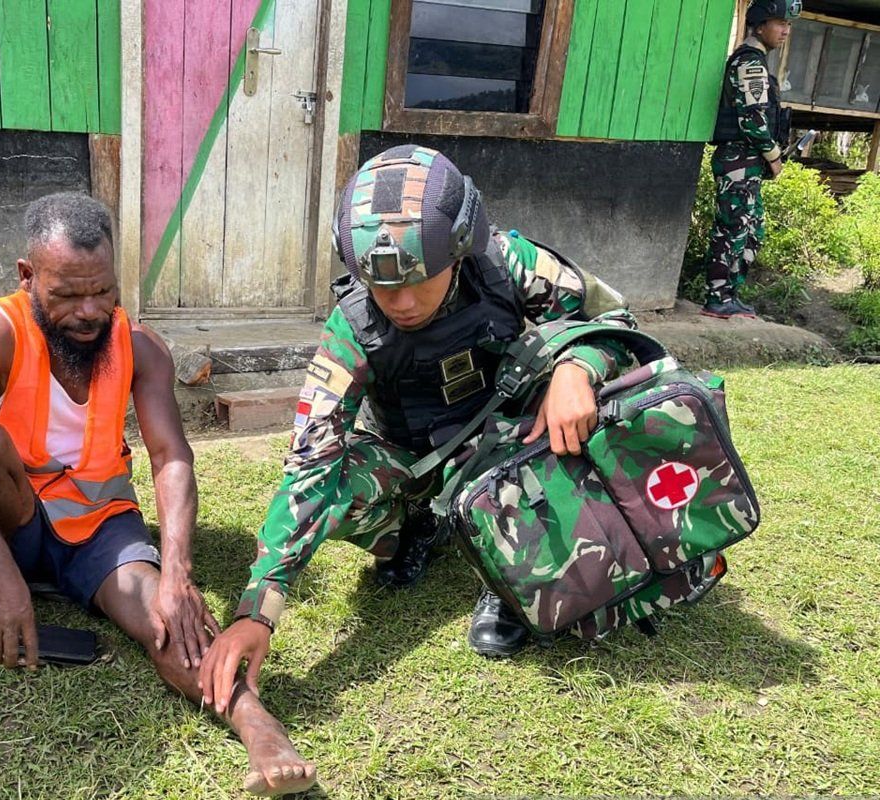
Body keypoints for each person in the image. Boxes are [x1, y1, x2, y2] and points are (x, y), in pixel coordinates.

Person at [200, 145, 639, 713]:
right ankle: (425, 527)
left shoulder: (507, 263)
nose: (402, 304)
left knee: (578, 417)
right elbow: (310, 461)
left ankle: (509, 575)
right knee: (339, 495)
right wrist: (257, 610)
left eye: (419, 281)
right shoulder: (351, 328)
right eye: (384, 288)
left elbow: (611, 317)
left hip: (509, 440)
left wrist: (578, 368)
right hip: (412, 456)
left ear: (458, 252)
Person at [0, 192, 315, 796]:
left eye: (102, 290)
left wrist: (177, 572)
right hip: (14, 524)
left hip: (102, 528)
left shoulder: (140, 345)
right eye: (68, 293)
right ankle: (19, 576)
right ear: (28, 277)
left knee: (165, 617)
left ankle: (256, 723)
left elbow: (171, 455)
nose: (89, 311)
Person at [702, 0, 800, 319]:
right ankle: (717, 297)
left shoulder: (757, 61)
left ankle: (729, 294)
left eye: (787, 24)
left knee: (751, 229)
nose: (785, 30)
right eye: (778, 23)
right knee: (732, 228)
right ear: (759, 26)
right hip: (739, 158)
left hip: (746, 160)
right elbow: (752, 121)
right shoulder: (750, 63)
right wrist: (774, 158)